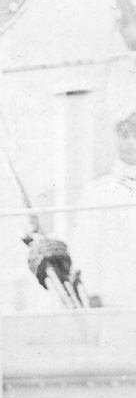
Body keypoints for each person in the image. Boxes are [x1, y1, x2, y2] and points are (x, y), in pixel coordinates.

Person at [72, 103, 136, 311]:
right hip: (114, 299)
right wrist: (91, 293)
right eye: (124, 135)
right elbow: (85, 246)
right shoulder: (97, 192)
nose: (130, 143)